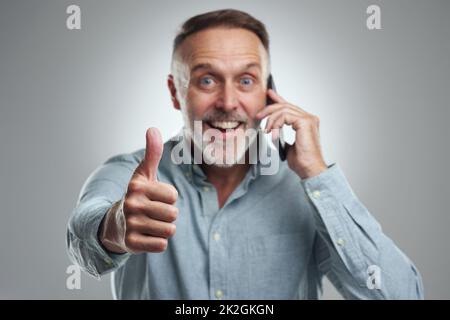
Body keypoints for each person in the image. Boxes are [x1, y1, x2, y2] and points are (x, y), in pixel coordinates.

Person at [66, 9, 424, 299]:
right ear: (176, 92)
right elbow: (82, 232)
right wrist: (116, 226)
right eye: (207, 80)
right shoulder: (132, 177)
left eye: (246, 81)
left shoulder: (310, 193)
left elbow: (402, 295)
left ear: (270, 93)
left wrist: (317, 172)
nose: (227, 102)